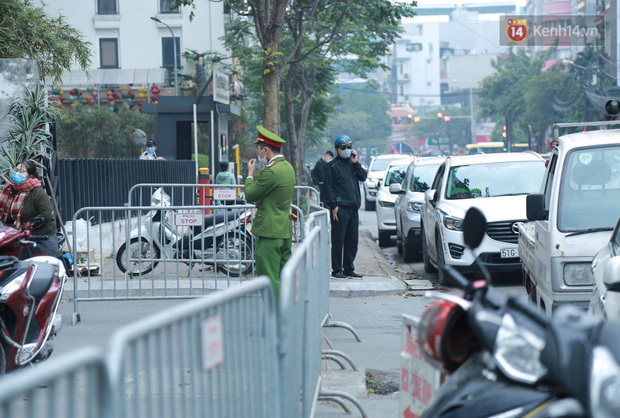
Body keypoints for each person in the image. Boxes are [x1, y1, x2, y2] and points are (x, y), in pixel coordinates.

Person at [244, 126, 295, 301]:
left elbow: (250, 194)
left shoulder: (271, 171)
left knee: (268, 279)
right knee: (283, 277)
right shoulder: (287, 167)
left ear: (265, 150)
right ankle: (286, 313)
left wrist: (250, 174)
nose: (257, 153)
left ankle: (274, 316)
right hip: (283, 230)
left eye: (258, 149)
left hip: (268, 231)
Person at [323, 135, 367, 279]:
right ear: (337, 149)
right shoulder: (332, 166)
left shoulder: (352, 164)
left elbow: (363, 177)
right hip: (340, 209)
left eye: (349, 147)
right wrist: (333, 205)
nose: (347, 150)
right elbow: (328, 188)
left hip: (353, 208)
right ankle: (337, 270)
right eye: (343, 147)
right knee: (338, 240)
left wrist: (356, 163)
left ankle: (348, 268)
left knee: (352, 241)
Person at [0, 161, 58, 258]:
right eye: (16, 170)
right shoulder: (10, 190)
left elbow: (46, 215)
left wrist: (26, 226)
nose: (17, 173)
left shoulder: (37, 192)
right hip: (20, 238)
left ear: (30, 176)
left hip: (41, 239)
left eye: (21, 171)